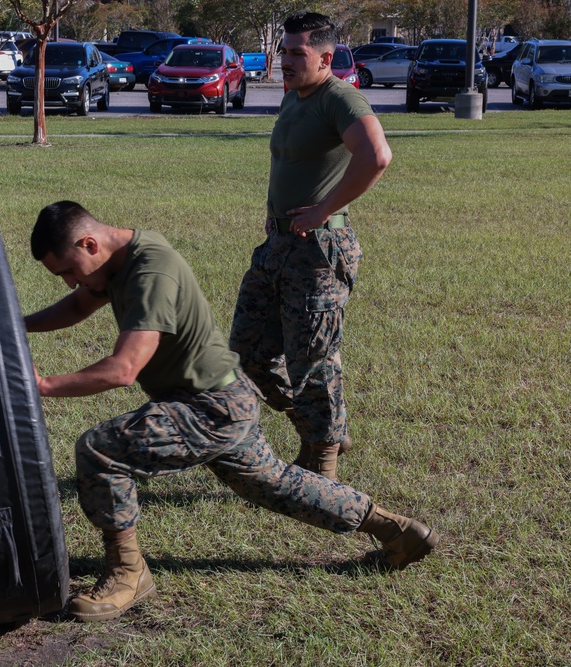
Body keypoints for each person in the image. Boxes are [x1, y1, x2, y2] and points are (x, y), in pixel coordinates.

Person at [24, 201, 437, 623]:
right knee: (277, 486)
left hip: (208, 406)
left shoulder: (150, 271)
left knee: (101, 449)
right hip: (225, 396)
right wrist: (16, 326)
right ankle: (397, 531)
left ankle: (130, 572)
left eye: (68, 271)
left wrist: (40, 386)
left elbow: (124, 369)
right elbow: (77, 306)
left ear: (89, 243)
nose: (71, 282)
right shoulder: (116, 262)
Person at [229, 12, 393, 482]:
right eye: (283, 51)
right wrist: (274, 211)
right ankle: (323, 425)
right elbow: (289, 164)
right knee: (248, 352)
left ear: (326, 57)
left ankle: (322, 458)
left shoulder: (339, 97)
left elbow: (376, 155)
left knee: (312, 360)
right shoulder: (292, 100)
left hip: (319, 249)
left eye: (297, 53)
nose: (285, 60)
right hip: (279, 244)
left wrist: (323, 209)